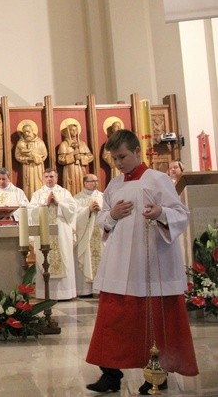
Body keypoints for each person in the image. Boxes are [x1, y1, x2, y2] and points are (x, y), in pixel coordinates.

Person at [85, 129, 198, 394]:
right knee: (113, 322)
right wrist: (111, 214)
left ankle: (156, 376)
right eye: (114, 159)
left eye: (122, 156)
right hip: (118, 263)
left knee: (152, 323)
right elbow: (102, 220)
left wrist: (160, 212)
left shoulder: (158, 180)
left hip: (149, 263)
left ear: (137, 151)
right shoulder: (114, 185)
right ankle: (110, 375)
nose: (118, 163)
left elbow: (181, 215)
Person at [29, 168, 78, 300]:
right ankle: (44, 293)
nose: (49, 179)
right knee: (44, 258)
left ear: (57, 178)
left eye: (52, 176)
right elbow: (31, 212)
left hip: (62, 232)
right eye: (47, 176)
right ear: (43, 178)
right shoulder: (38, 194)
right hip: (44, 232)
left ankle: (65, 293)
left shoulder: (64, 193)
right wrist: (44, 203)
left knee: (64, 256)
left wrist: (58, 203)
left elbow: (73, 210)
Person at [72, 174, 103, 298]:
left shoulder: (103, 196)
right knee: (85, 258)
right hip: (85, 236)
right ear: (85, 183)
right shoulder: (77, 198)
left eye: (96, 180)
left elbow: (109, 211)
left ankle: (100, 289)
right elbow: (74, 216)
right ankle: (85, 290)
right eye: (92, 181)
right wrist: (88, 210)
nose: (95, 183)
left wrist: (99, 209)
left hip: (100, 234)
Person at [57, 121, 94, 196]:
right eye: (71, 130)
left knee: (81, 184)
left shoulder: (82, 144)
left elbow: (90, 156)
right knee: (71, 186)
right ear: (68, 131)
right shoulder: (64, 144)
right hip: (69, 170)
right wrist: (72, 156)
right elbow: (60, 159)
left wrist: (82, 158)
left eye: (75, 130)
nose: (74, 131)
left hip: (80, 169)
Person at [15, 121, 48, 199]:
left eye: (28, 131)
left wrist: (38, 158)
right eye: (24, 132)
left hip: (38, 167)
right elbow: (17, 156)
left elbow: (45, 154)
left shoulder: (40, 142)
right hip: (27, 167)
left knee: (38, 184)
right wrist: (27, 159)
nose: (26, 134)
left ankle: (40, 202)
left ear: (32, 131)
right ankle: (29, 201)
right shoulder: (20, 143)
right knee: (28, 185)